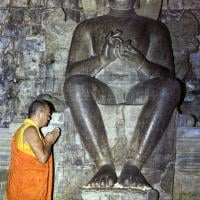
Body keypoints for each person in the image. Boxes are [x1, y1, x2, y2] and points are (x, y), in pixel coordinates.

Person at [64, 0, 181, 189]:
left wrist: (142, 63)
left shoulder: (155, 28)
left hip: (139, 89)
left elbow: (168, 76)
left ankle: (133, 165)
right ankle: (103, 164)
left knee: (170, 88)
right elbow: (71, 73)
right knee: (74, 85)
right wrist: (102, 59)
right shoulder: (87, 27)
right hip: (102, 88)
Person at [6, 99, 60, 200]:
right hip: (27, 189)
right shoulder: (30, 130)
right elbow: (43, 158)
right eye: (48, 114)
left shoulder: (25, 128)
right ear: (40, 113)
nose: (49, 118)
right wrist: (49, 141)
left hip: (25, 186)